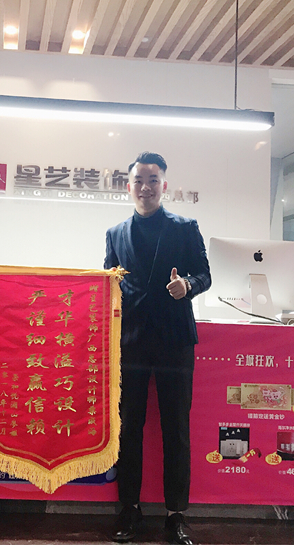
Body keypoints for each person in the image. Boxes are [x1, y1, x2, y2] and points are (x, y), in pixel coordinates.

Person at [104, 152, 211, 545]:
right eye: (138, 180)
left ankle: (175, 515)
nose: (145, 187)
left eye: (152, 180)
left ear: (164, 185)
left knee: (175, 428)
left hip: (174, 340)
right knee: (129, 427)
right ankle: (129, 509)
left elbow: (205, 274)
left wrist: (188, 285)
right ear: (128, 186)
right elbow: (108, 283)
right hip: (131, 342)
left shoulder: (185, 228)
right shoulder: (115, 233)